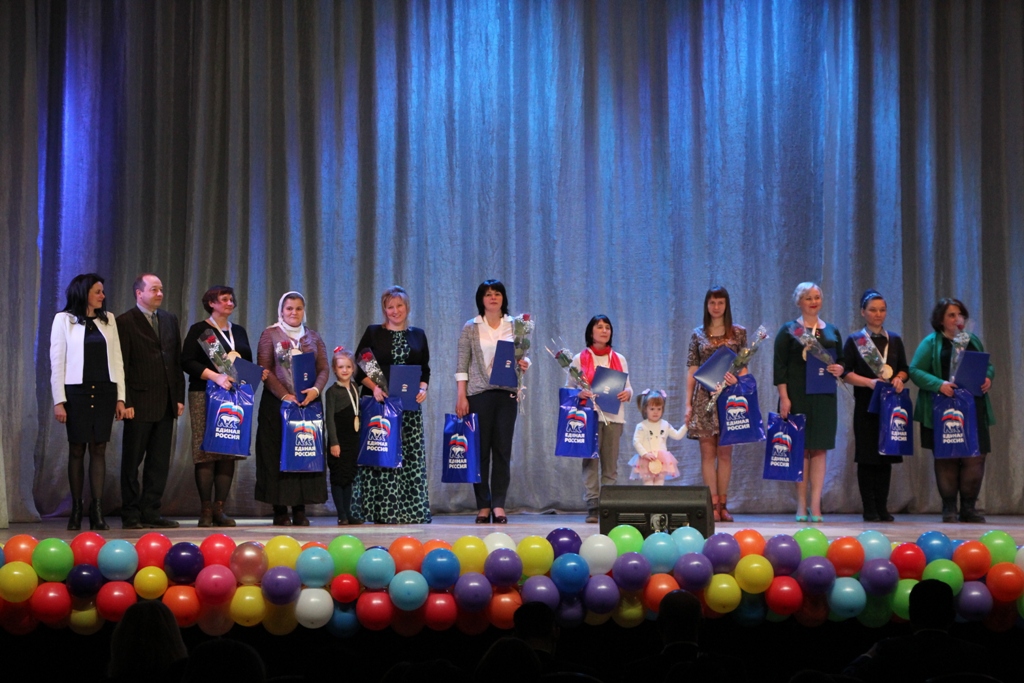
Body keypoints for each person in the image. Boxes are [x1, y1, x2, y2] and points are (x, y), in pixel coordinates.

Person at [49, 273, 126, 530]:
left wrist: (121, 398)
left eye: (102, 291)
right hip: (76, 392)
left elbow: (117, 360)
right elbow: (57, 362)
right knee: (77, 449)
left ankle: (97, 509)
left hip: (105, 390)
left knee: (99, 448)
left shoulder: (108, 320)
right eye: (98, 291)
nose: (103, 296)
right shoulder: (64, 320)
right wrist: (59, 401)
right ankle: (76, 509)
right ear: (84, 293)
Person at [181, 285, 263, 527]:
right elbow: (186, 361)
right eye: (224, 299)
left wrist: (256, 374)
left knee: (228, 450)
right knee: (206, 451)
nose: (230, 303)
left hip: (234, 396)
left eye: (231, 299)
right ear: (211, 303)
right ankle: (206, 510)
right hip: (204, 394)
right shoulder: (200, 329)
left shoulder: (239, 331)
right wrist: (215, 376)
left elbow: (246, 362)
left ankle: (220, 510)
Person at [908, 298, 994, 523]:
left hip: (973, 408)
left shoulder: (971, 339)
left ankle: (968, 508)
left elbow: (987, 365)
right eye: (951, 315)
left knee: (975, 457)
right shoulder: (931, 342)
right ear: (940, 320)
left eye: (960, 315)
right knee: (947, 457)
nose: (957, 319)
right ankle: (949, 509)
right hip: (943, 410)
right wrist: (939, 384)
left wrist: (988, 377)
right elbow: (915, 370)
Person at [350, 286, 432, 524]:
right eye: (390, 307)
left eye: (399, 306)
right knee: (380, 455)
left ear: (407, 307)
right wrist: (374, 387)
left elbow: (425, 369)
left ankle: (410, 511)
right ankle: (380, 511)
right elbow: (360, 368)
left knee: (408, 458)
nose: (395, 311)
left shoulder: (418, 335)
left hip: (408, 409)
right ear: (384, 310)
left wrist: (423, 389)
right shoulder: (374, 333)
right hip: (380, 406)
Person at [455, 279, 530, 524]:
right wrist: (461, 396)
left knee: (502, 451)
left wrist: (525, 364)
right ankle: (483, 505)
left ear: (503, 298)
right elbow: (462, 364)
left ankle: (498, 505)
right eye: (488, 294)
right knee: (480, 452)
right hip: (478, 395)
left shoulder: (516, 326)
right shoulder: (471, 327)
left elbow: (523, 357)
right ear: (481, 299)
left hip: (507, 394)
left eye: (497, 293)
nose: (493, 297)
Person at [117, 273, 185, 529]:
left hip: (165, 402)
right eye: (154, 289)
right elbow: (122, 364)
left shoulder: (169, 319)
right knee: (132, 461)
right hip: (138, 402)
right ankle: (131, 513)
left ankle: (151, 511)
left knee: (158, 462)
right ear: (139, 293)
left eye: (161, 289)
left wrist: (178, 397)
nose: (160, 294)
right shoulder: (125, 321)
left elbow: (175, 361)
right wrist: (125, 400)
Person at [254, 291, 329, 525]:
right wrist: (285, 395)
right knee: (277, 455)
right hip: (278, 405)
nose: (294, 312)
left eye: (298, 308)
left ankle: (300, 509)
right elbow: (264, 369)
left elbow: (324, 368)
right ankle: (280, 510)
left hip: (308, 404)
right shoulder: (270, 334)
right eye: (289, 308)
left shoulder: (313, 337)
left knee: (304, 454)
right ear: (281, 311)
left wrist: (315, 390)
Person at [773, 282, 845, 523]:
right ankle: (801, 504)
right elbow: (780, 367)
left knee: (820, 448)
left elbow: (842, 361)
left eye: (817, 297)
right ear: (799, 302)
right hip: (797, 395)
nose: (814, 301)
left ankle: (816, 504)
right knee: (800, 448)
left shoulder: (832, 331)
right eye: (808, 298)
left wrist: (840, 368)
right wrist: (784, 397)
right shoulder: (789, 330)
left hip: (824, 397)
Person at [842, 290, 910, 522]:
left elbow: (904, 369)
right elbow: (845, 373)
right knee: (867, 457)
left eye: (882, 310)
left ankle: (882, 506)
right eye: (872, 310)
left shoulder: (894, 340)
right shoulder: (856, 340)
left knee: (886, 456)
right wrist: (869, 382)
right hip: (866, 405)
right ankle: (869, 507)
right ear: (863, 312)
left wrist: (899, 378)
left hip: (890, 406)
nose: (878, 314)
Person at [684, 286, 747, 522]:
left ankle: (724, 505)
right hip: (704, 398)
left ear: (726, 305)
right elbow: (692, 369)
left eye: (720, 302)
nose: (716, 307)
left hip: (730, 398)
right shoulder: (697, 334)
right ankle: (711, 505)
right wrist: (688, 404)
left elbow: (743, 367)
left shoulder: (738, 333)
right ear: (707, 305)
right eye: (712, 302)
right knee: (708, 452)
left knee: (726, 453)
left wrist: (738, 380)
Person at [569, 315, 633, 523]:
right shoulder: (579, 359)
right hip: (589, 417)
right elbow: (569, 388)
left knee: (610, 464)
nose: (604, 330)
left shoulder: (619, 359)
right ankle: (593, 506)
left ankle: (608, 505)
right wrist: (579, 393)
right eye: (600, 327)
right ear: (591, 332)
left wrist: (627, 394)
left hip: (614, 417)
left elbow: (628, 387)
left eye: (607, 327)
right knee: (590, 462)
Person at [324, 346, 362, 525]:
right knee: (338, 477)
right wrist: (334, 442)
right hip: (338, 441)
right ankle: (341, 515)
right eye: (341, 367)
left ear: (353, 368)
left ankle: (348, 512)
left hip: (352, 440)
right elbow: (330, 419)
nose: (345, 370)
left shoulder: (355, 387)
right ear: (334, 369)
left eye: (348, 366)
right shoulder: (332, 392)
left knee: (349, 477)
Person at [630, 389, 685, 485]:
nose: (655, 412)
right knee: (648, 483)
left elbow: (677, 435)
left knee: (659, 484)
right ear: (645, 409)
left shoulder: (665, 424)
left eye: (659, 409)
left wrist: (687, 425)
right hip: (646, 460)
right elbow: (636, 441)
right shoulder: (641, 426)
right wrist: (644, 454)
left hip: (661, 461)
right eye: (652, 409)